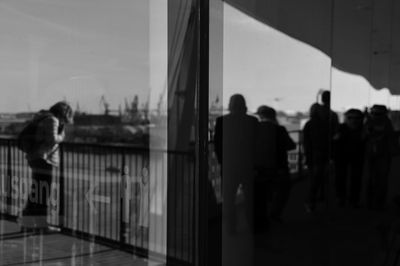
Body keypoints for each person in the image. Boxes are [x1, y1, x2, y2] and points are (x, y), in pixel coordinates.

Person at [20, 101, 73, 231]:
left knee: (36, 192)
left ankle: (26, 223)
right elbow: (53, 139)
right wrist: (62, 136)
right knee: (43, 193)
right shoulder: (52, 120)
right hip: (43, 160)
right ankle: (41, 225)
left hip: (37, 158)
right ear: (64, 113)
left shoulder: (44, 117)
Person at [214, 94, 258, 234]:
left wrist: (222, 162)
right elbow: (256, 145)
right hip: (247, 165)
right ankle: (252, 225)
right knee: (250, 198)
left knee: (228, 199)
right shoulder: (252, 121)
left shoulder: (221, 121)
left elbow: (217, 145)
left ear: (230, 105)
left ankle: (231, 228)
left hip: (229, 166)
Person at [254, 105, 295, 231]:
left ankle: (261, 220)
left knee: (261, 194)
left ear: (260, 116)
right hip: (279, 167)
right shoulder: (279, 129)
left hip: (259, 167)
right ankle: (274, 214)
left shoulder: (255, 129)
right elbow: (291, 145)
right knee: (283, 191)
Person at [303, 103, 332, 212]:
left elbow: (306, 143)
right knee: (319, 180)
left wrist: (307, 157)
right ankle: (315, 201)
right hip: (322, 156)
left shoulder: (309, 124)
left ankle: (311, 203)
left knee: (314, 181)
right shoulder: (325, 124)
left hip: (313, 157)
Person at [333, 109, 365, 208]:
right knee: (340, 178)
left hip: (357, 157)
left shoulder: (364, 129)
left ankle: (353, 200)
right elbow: (333, 143)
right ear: (346, 118)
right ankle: (341, 198)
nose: (353, 120)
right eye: (350, 118)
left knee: (356, 179)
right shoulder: (340, 128)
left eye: (356, 118)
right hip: (342, 158)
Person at [364, 104, 394, 210]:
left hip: (383, 155)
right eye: (373, 113)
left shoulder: (386, 123)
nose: (375, 115)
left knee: (381, 180)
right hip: (372, 155)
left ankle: (378, 202)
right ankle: (371, 202)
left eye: (377, 113)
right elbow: (365, 134)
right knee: (371, 179)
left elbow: (390, 139)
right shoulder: (370, 122)